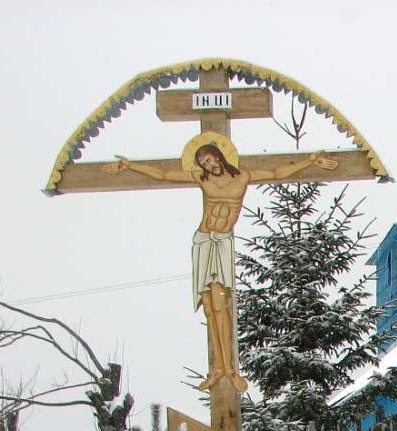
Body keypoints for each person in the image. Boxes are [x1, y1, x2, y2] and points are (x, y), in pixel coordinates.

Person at [107, 135, 337, 392]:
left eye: (209, 159)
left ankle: (230, 370)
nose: (208, 165)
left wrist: (309, 161)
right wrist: (131, 166)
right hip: (203, 241)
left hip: (222, 242)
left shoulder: (242, 177)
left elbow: (276, 172)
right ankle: (217, 369)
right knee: (209, 307)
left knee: (220, 304)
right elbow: (163, 175)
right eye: (203, 163)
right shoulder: (201, 179)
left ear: (218, 156)